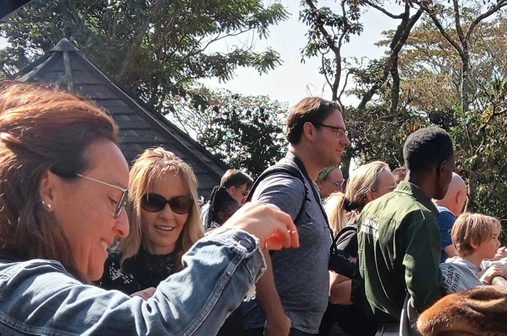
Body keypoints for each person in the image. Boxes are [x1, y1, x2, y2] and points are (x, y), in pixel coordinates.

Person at [0, 82, 299, 336]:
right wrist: (235, 238)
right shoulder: (15, 289)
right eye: (113, 200)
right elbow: (155, 327)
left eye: (181, 203)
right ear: (48, 189)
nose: (123, 226)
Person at [242, 97, 351, 336]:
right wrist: (275, 316)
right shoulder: (287, 185)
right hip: (277, 328)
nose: (346, 141)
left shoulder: (304, 183)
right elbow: (251, 244)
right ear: (310, 130)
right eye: (338, 131)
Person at [355, 127, 455, 334]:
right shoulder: (419, 216)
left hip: (378, 329)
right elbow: (425, 296)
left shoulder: (372, 208)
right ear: (442, 168)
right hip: (408, 330)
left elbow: (362, 277)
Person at [100, 147, 204, 295]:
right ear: (133, 205)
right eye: (153, 202)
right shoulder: (105, 268)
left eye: (179, 204)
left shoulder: (205, 270)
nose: (167, 215)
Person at [321, 161, 396, 336]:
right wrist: (384, 286)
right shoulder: (354, 236)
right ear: (371, 195)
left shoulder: (378, 235)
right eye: (391, 189)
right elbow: (335, 290)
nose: (397, 195)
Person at [440, 213, 507, 293]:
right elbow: (460, 301)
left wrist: (490, 269)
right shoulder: (451, 271)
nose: (498, 244)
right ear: (474, 242)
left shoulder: (484, 266)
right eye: (493, 238)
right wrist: (484, 280)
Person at [432, 173, 468, 262]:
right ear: (459, 197)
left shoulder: (427, 209)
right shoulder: (443, 216)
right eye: (464, 202)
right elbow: (463, 258)